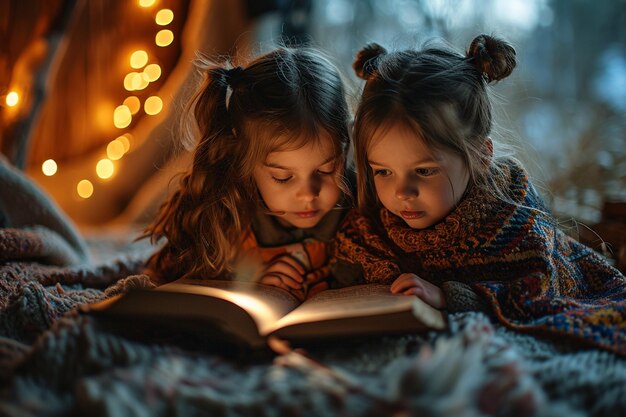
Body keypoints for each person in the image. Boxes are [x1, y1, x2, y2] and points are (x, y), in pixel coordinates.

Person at [331, 34, 626, 355]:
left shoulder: (512, 220)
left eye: (425, 170)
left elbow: (539, 291)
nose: (402, 192)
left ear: (481, 157)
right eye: (383, 171)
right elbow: (350, 260)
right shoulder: (371, 221)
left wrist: (451, 296)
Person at [143, 46, 359, 301]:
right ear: (244, 160)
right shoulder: (224, 212)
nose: (308, 194)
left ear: (346, 147)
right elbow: (166, 278)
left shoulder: (364, 203)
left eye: (326, 169)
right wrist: (254, 284)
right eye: (282, 177)